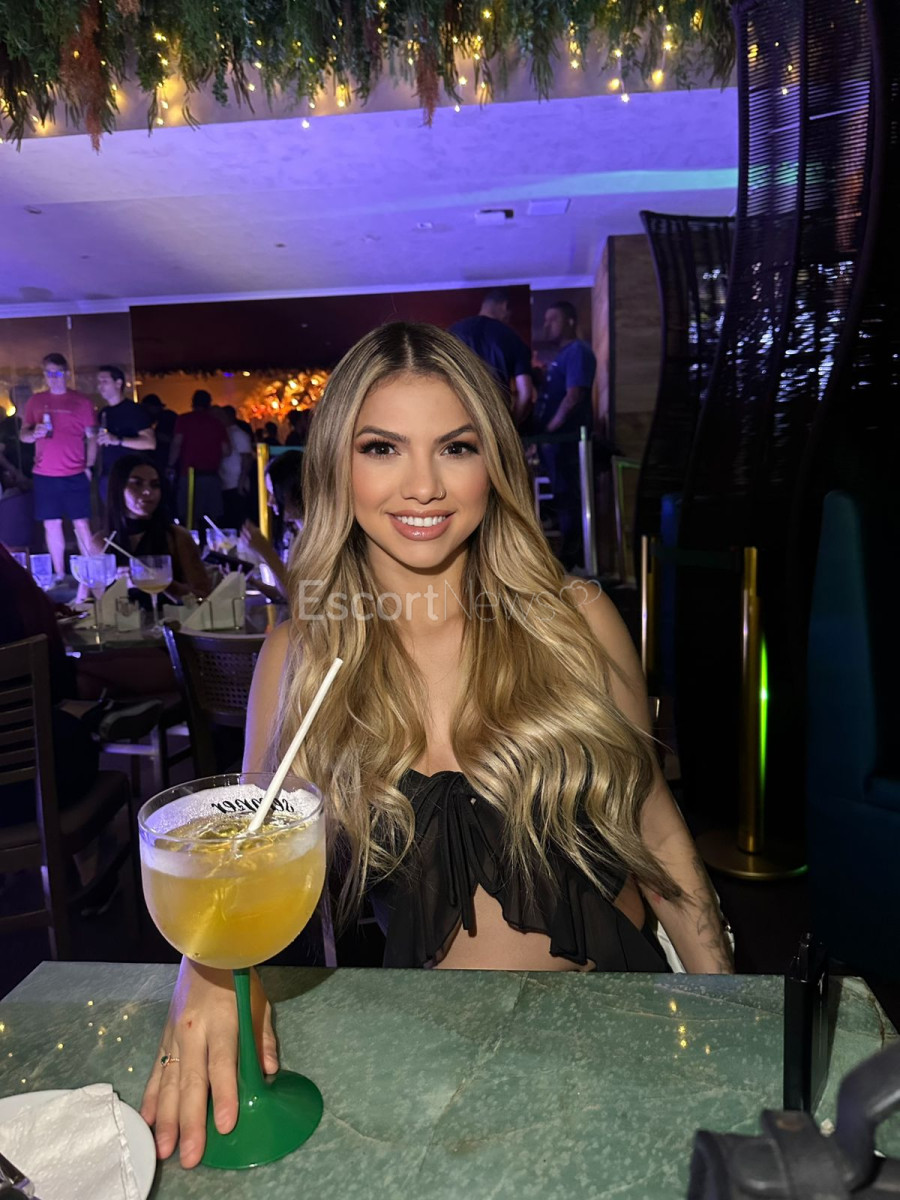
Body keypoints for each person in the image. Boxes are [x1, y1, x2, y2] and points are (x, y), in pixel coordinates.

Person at [140, 323, 732, 1167]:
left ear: (493, 462)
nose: (423, 485)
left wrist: (729, 1010)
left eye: (456, 447)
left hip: (616, 1029)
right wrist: (202, 971)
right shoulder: (301, 656)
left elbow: (659, 832)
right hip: (434, 1064)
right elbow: (247, 856)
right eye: (382, 447)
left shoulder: (575, 621)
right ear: (338, 466)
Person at [19, 353, 97, 579]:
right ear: (44, 375)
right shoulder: (35, 401)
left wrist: (90, 466)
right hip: (45, 473)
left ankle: (90, 573)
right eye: (49, 373)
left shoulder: (82, 402)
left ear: (67, 374)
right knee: (51, 524)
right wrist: (34, 434)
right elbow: (24, 435)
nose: (54, 378)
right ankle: (60, 573)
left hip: (75, 471)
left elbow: (92, 437)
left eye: (58, 373)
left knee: (81, 523)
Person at [532, 301, 597, 569]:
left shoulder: (578, 351)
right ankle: (567, 556)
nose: (547, 325)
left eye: (554, 319)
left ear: (570, 321)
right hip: (556, 444)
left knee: (569, 497)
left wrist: (550, 430)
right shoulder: (562, 356)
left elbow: (574, 396)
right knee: (561, 496)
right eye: (546, 320)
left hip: (568, 443)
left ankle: (575, 560)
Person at [93, 455, 211, 599]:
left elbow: (204, 597)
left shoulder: (177, 536)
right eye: (137, 483)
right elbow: (96, 600)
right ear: (119, 487)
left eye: (155, 485)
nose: (148, 491)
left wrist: (164, 583)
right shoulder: (102, 541)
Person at [449, 287, 534, 425]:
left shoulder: (453, 333)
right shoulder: (512, 337)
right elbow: (525, 392)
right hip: (496, 421)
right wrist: (511, 425)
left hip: (458, 417)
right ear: (504, 306)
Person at [238, 449, 304, 597]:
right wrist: (252, 582)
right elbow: (285, 589)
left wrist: (265, 551)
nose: (270, 502)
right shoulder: (296, 533)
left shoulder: (322, 536)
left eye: (274, 493)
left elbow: (297, 594)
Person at [169, 389, 230, 534]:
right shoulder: (217, 423)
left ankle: (191, 545)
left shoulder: (184, 420)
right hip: (211, 476)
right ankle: (214, 546)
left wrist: (170, 465)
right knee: (212, 521)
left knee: (189, 518)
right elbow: (226, 450)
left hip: (189, 475)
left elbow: (177, 443)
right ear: (209, 404)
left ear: (192, 403)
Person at [96, 366, 156, 502]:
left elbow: (150, 443)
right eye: (98, 382)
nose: (100, 386)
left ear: (118, 383)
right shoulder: (104, 413)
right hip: (109, 474)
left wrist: (117, 440)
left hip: (130, 475)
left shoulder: (135, 411)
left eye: (104, 381)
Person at [216, 405, 254, 529]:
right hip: (226, 483)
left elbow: (247, 459)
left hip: (236, 484)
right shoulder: (223, 433)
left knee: (236, 520)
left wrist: (241, 483)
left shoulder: (239, 434)